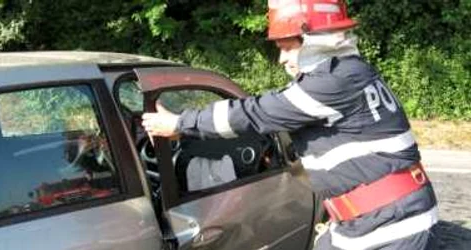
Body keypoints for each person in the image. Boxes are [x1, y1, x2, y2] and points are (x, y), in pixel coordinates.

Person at [142, 0, 439, 249]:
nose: (282, 60)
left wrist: (180, 123)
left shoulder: (331, 81)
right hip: (370, 217)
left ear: (315, 42)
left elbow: (255, 113)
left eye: (287, 48)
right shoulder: (352, 71)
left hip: (389, 223)